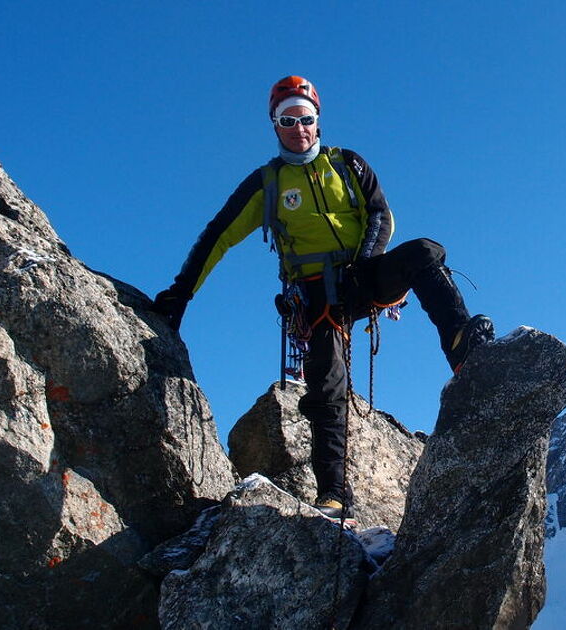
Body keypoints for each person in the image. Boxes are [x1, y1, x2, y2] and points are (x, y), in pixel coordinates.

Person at [154, 75, 494, 519]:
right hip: (316, 296)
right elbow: (217, 236)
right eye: (287, 119)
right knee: (327, 381)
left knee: (425, 253)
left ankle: (461, 345)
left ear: (318, 121)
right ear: (275, 125)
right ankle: (332, 491)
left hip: (364, 275)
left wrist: (364, 263)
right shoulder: (266, 184)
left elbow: (381, 216)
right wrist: (182, 295)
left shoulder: (347, 165)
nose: (298, 128)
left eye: (306, 118)